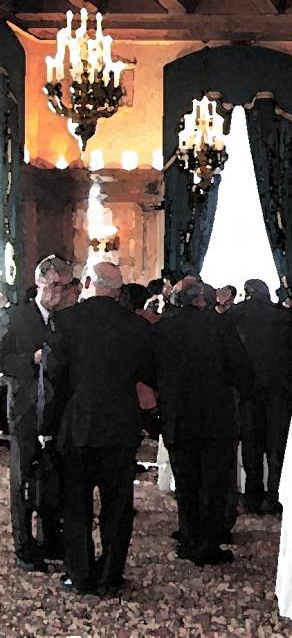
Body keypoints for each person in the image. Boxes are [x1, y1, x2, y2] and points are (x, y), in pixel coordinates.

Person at [44, 262, 155, 595]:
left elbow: (55, 377)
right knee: (117, 507)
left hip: (78, 424)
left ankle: (79, 575)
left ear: (90, 282)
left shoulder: (65, 322)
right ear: (119, 290)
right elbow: (147, 373)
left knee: (76, 505)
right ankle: (110, 575)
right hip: (120, 425)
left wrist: (51, 424)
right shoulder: (136, 327)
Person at [155, 279, 252, 566]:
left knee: (185, 483)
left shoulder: (164, 328)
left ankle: (188, 537)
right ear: (203, 300)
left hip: (177, 415)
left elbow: (151, 369)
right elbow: (241, 369)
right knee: (213, 483)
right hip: (215, 418)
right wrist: (245, 393)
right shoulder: (220, 326)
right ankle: (207, 544)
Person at [0, 255, 69, 571]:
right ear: (39, 282)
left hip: (58, 414)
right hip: (25, 412)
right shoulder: (16, 317)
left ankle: (51, 539)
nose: (58, 292)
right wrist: (32, 359)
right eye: (54, 284)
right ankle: (25, 547)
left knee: (55, 479)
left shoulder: (68, 320)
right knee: (23, 479)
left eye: (64, 286)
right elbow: (2, 360)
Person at [229, 279, 292, 515]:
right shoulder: (282, 317)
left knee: (251, 446)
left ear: (247, 292)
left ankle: (252, 496)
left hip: (248, 390)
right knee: (276, 446)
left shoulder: (236, 315)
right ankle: (275, 496)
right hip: (279, 390)